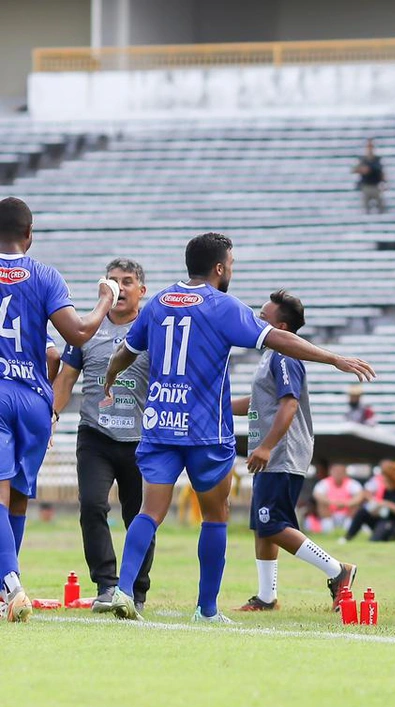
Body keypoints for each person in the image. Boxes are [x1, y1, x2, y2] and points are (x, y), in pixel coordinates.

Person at [99, 231, 374, 623]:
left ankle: (124, 591)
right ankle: (206, 610)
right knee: (215, 516)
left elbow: (125, 353)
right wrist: (333, 358)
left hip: (161, 423)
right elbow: (277, 338)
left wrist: (108, 380)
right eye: (231, 264)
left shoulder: (158, 301)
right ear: (218, 267)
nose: (232, 270)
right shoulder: (222, 305)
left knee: (149, 511)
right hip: (206, 432)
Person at [0, 196, 119, 622]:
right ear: (29, 236)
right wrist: (106, 298)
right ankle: (7, 587)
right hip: (34, 400)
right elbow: (80, 333)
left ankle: (10, 585)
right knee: (16, 498)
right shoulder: (45, 275)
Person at [232, 290, 356, 612]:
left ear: (282, 327)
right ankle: (266, 597)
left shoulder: (285, 356)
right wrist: (214, 405)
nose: (258, 319)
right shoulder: (270, 355)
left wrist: (266, 447)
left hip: (281, 452)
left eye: (264, 315)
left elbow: (289, 403)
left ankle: (337, 570)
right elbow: (257, 403)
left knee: (272, 524)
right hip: (272, 451)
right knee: (263, 525)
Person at [52, 258, 153, 613]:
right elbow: (65, 380)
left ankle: (136, 591)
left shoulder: (153, 330)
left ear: (142, 291)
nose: (119, 288)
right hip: (94, 434)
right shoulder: (85, 329)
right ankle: (106, 584)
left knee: (139, 515)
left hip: (141, 439)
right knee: (92, 505)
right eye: (112, 281)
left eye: (127, 282)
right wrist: (51, 416)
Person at [344, 461, 395, 542]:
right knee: (362, 512)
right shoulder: (387, 490)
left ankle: (376, 539)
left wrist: (387, 504)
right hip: (386, 520)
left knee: (383, 528)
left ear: (392, 479)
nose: (383, 481)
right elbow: (384, 511)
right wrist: (376, 507)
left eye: (385, 479)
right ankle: (347, 538)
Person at [312, 463, 363, 535]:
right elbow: (317, 495)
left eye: (341, 472)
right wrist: (332, 502)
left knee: (355, 506)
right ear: (331, 472)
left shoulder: (352, 483)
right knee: (321, 504)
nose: (338, 474)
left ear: (345, 473)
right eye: (336, 471)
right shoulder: (324, 483)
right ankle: (328, 528)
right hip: (330, 513)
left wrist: (347, 503)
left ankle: (348, 528)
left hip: (347, 513)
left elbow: (360, 496)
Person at [353, 139, 386, 214]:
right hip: (366, 185)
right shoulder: (363, 159)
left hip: (375, 185)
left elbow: (381, 172)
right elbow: (354, 170)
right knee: (365, 207)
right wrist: (362, 170)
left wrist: (384, 182)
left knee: (381, 205)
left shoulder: (377, 159)